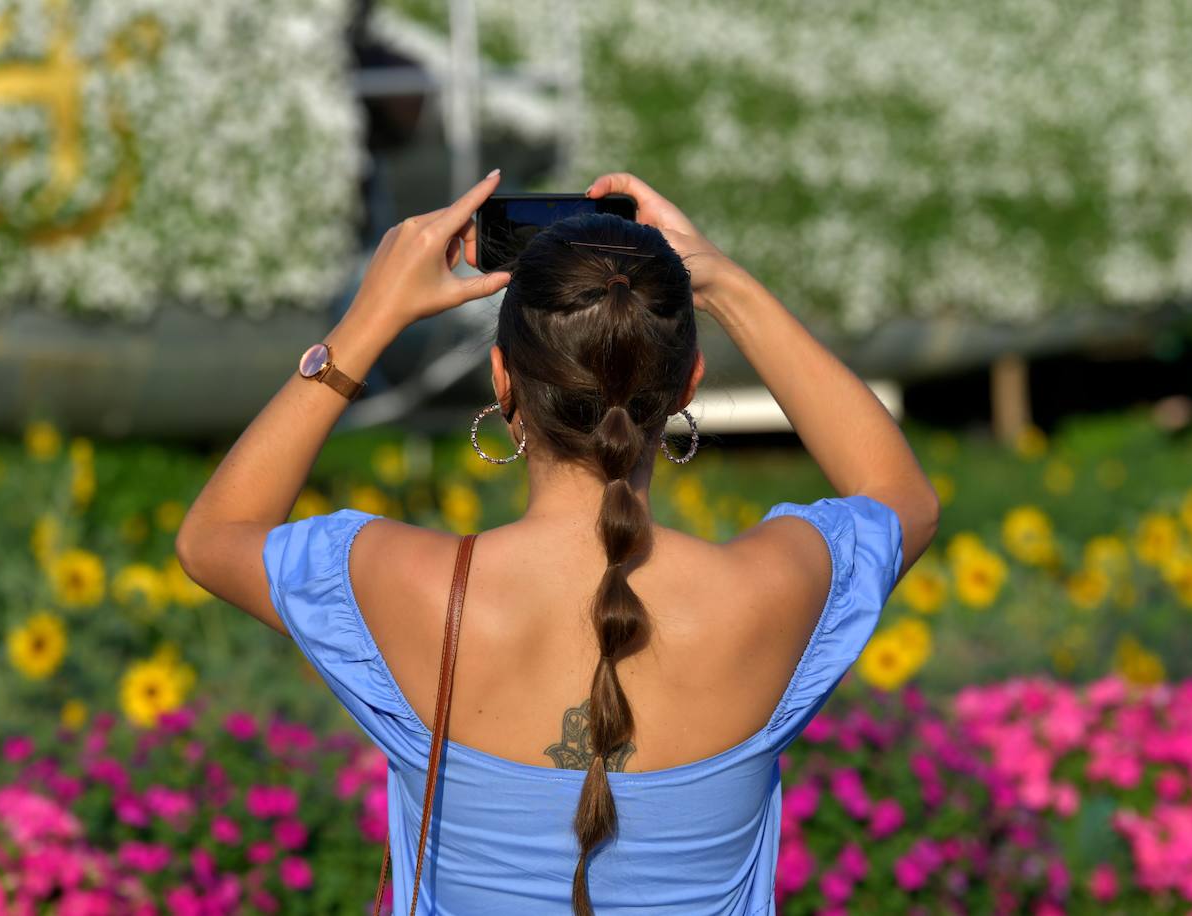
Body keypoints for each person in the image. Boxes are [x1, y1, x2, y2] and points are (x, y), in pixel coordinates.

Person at [176, 169, 940, 915]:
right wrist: (728, 286)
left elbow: (213, 538)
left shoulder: (404, 588)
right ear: (687, 385)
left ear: (502, 381)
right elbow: (901, 498)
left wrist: (367, 320)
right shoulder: (769, 594)